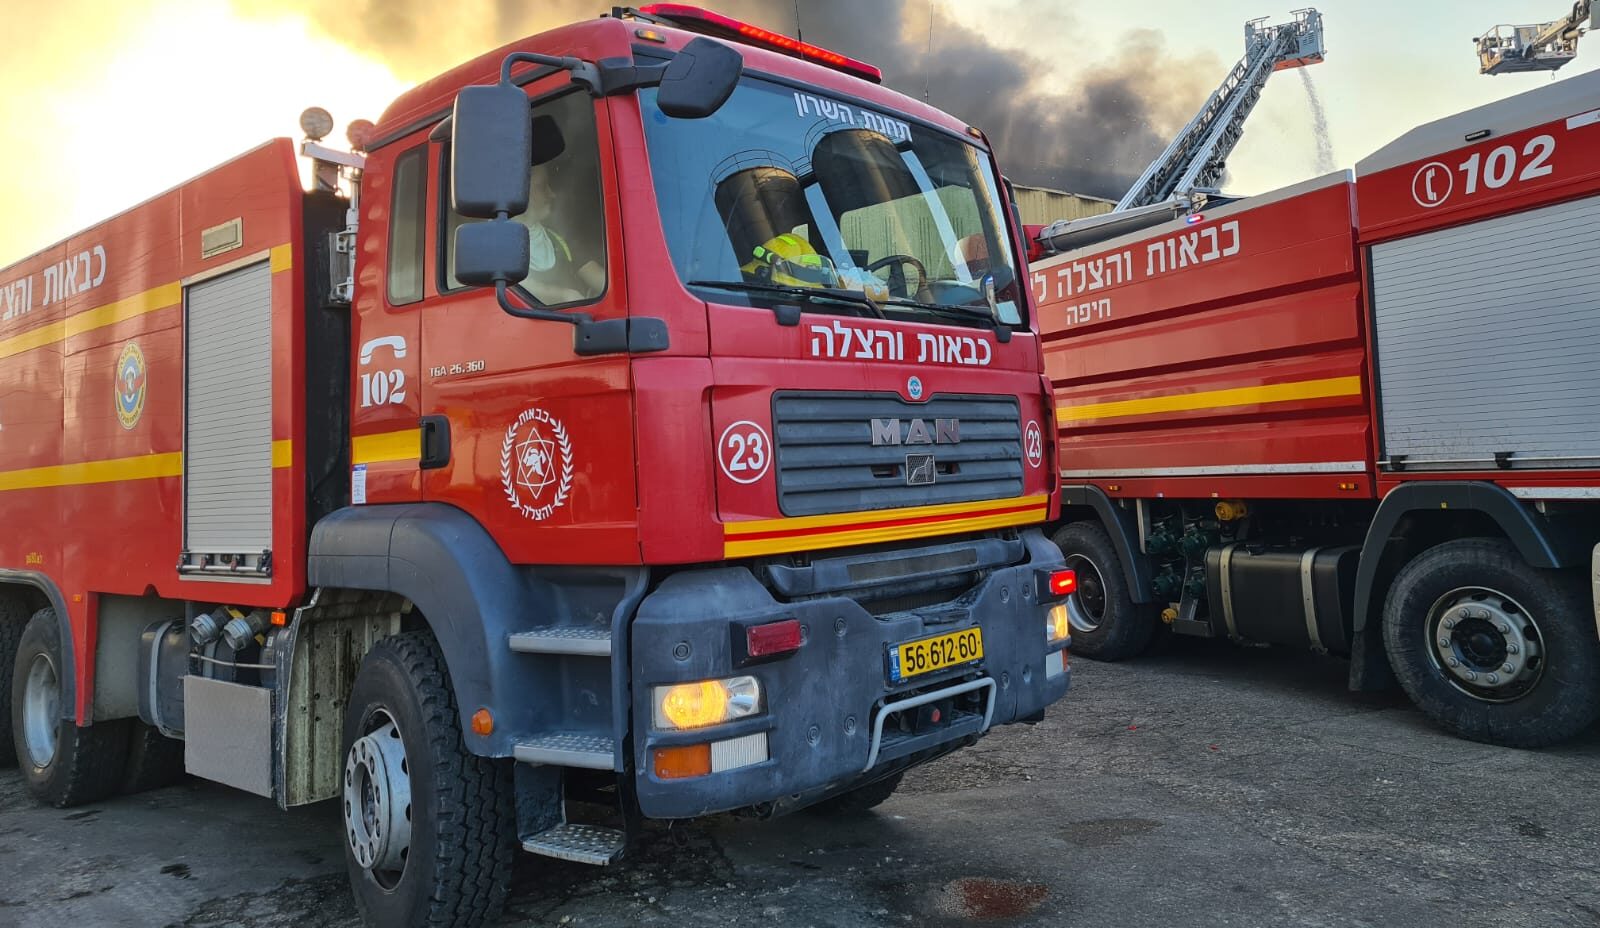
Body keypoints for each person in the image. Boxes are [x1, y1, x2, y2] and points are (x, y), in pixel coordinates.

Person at [515, 162, 605, 305]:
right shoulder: (489, 242)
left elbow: (602, 281)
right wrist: (563, 296)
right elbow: (503, 287)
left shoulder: (558, 239)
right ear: (519, 192)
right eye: (543, 187)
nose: (552, 194)